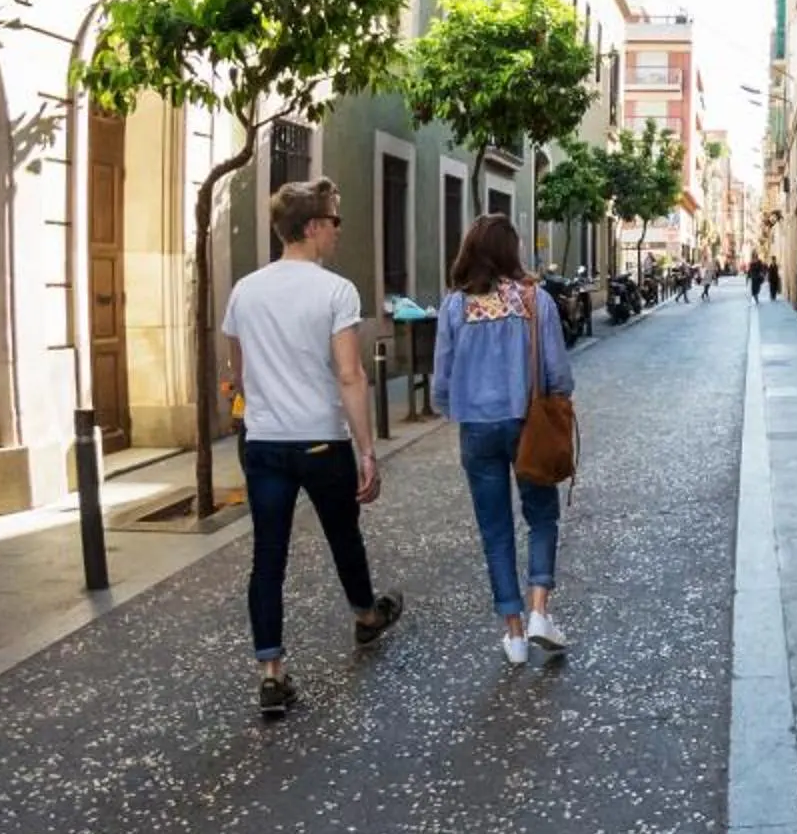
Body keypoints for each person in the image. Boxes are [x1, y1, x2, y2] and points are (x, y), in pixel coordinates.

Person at [221, 179, 404, 720]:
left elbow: (237, 373)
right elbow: (350, 376)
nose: (339, 231)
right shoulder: (335, 291)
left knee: (268, 555)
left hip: (264, 441)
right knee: (343, 534)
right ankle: (367, 616)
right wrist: (368, 450)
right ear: (313, 227)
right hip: (321, 437)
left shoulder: (244, 290)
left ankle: (271, 673)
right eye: (335, 221)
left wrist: (261, 407)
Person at [435, 212, 575, 671]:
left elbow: (442, 378)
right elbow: (557, 374)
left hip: (477, 428)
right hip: (526, 422)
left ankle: (513, 636)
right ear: (510, 251)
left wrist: (452, 404)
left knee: (495, 531)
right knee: (541, 516)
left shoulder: (455, 305)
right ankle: (539, 611)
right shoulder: (537, 301)